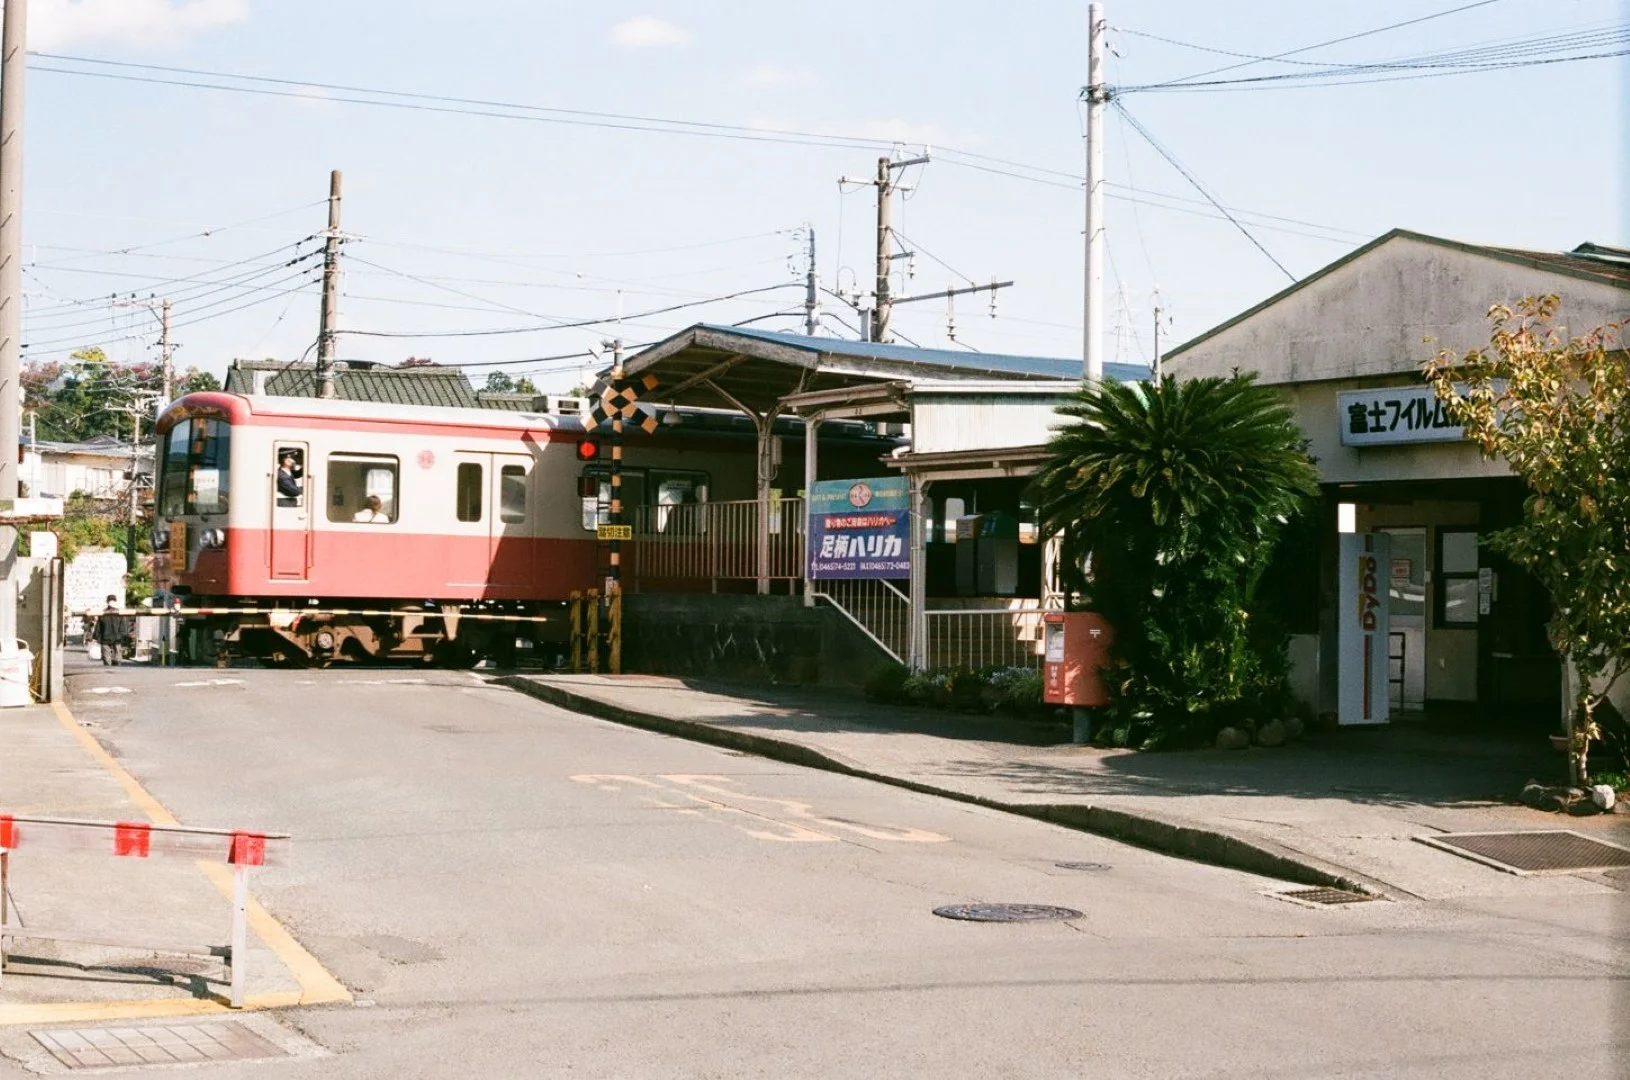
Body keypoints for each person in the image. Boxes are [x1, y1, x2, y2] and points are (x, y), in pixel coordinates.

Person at [92, 595, 132, 667]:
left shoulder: (103, 613)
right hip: (117, 637)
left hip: (106, 636)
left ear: (107, 602)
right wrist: (124, 635)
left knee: (106, 655)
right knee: (117, 655)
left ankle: (109, 665)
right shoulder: (119, 613)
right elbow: (123, 626)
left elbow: (98, 626)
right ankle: (115, 664)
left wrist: (95, 636)